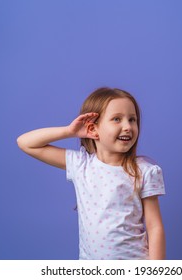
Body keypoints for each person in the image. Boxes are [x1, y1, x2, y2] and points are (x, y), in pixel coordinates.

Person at [17, 87, 166, 260]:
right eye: (117, 119)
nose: (127, 126)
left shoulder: (144, 171)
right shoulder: (81, 165)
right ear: (93, 129)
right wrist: (69, 131)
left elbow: (155, 227)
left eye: (132, 120)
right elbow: (25, 142)